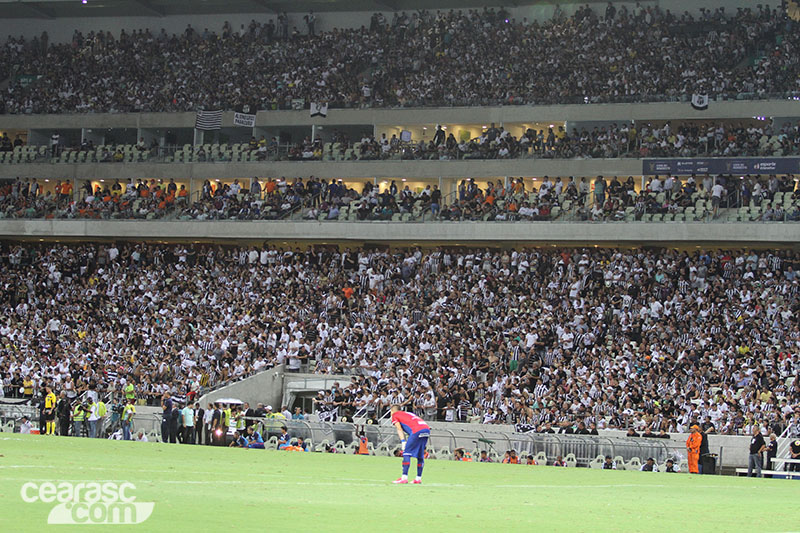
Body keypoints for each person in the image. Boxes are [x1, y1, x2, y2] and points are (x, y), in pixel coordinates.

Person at [390, 404, 430, 484]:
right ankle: (418, 478)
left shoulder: (395, 415)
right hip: (426, 429)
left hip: (417, 431)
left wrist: (403, 441)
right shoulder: (408, 413)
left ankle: (404, 477)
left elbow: (399, 429)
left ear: (392, 411)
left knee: (406, 454)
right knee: (420, 455)